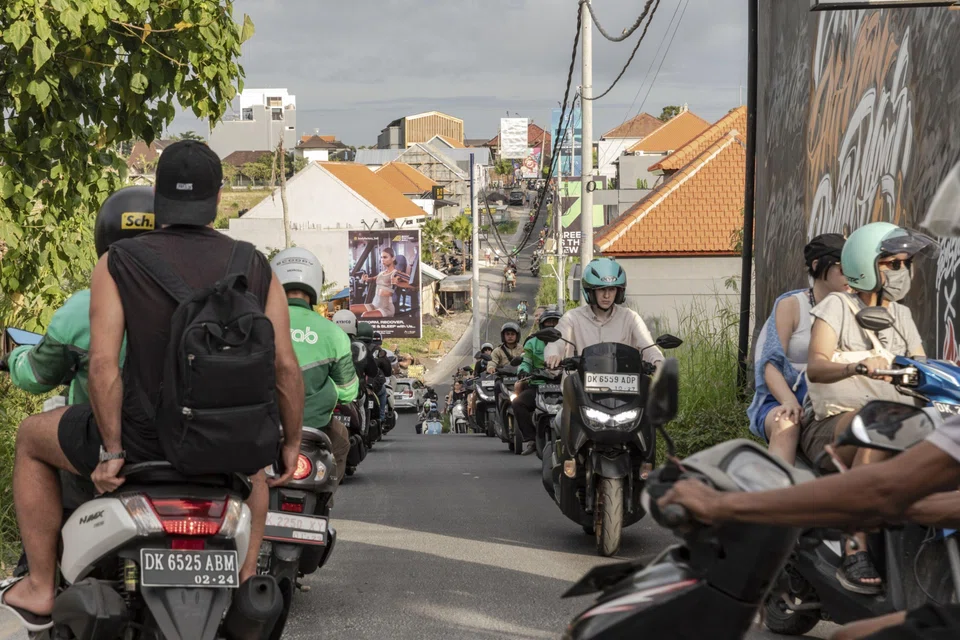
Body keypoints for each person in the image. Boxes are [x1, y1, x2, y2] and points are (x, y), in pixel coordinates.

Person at [0, 141, 305, 631]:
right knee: (258, 476)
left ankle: (38, 585)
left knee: (32, 436)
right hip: (231, 444)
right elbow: (286, 369)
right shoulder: (255, 266)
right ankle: (247, 583)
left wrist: (112, 451)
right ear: (219, 196)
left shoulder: (118, 262)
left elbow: (103, 367)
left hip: (144, 441)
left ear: (158, 196)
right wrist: (289, 443)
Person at [792, 223, 932, 593]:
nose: (901, 272)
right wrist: (855, 366)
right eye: (892, 263)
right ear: (866, 266)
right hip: (834, 424)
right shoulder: (836, 305)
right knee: (876, 426)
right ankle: (856, 546)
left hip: (897, 422)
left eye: (905, 263)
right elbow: (817, 366)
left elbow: (921, 368)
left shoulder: (902, 316)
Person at [4, 186, 158, 405]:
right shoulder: (190, 299)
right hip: (172, 429)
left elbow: (37, 376)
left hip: (101, 431)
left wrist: (15, 359)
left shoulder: (85, 307)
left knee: (31, 431)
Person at [747, 234, 848, 466]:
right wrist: (789, 401)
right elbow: (770, 365)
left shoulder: (855, 305)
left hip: (833, 398)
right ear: (817, 265)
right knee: (787, 424)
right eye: (842, 268)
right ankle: (775, 494)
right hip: (784, 396)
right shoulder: (792, 305)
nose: (849, 275)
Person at [270, 247, 357, 484]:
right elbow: (349, 391)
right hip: (315, 426)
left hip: (264, 423)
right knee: (341, 443)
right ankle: (325, 500)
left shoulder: (256, 321)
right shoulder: (333, 333)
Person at [545, 257, 663, 371]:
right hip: (579, 387)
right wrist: (553, 355)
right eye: (601, 289)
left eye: (612, 289)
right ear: (590, 291)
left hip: (622, 387)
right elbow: (557, 342)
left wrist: (658, 361)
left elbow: (648, 345)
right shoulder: (572, 318)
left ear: (619, 292)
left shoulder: (630, 318)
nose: (607, 295)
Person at [512, 306, 563, 455]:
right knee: (518, 403)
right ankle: (531, 439)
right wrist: (523, 371)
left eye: (556, 323)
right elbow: (526, 361)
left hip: (563, 384)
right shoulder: (532, 342)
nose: (552, 326)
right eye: (549, 323)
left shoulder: (568, 341)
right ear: (542, 325)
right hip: (538, 385)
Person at [351, 247, 399, 318]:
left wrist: (398, 283)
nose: (382, 260)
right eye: (381, 257)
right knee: (350, 308)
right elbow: (372, 279)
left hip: (386, 309)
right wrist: (366, 279)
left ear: (393, 258)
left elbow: (410, 282)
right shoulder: (381, 273)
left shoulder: (396, 273)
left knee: (365, 315)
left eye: (385, 257)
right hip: (374, 305)